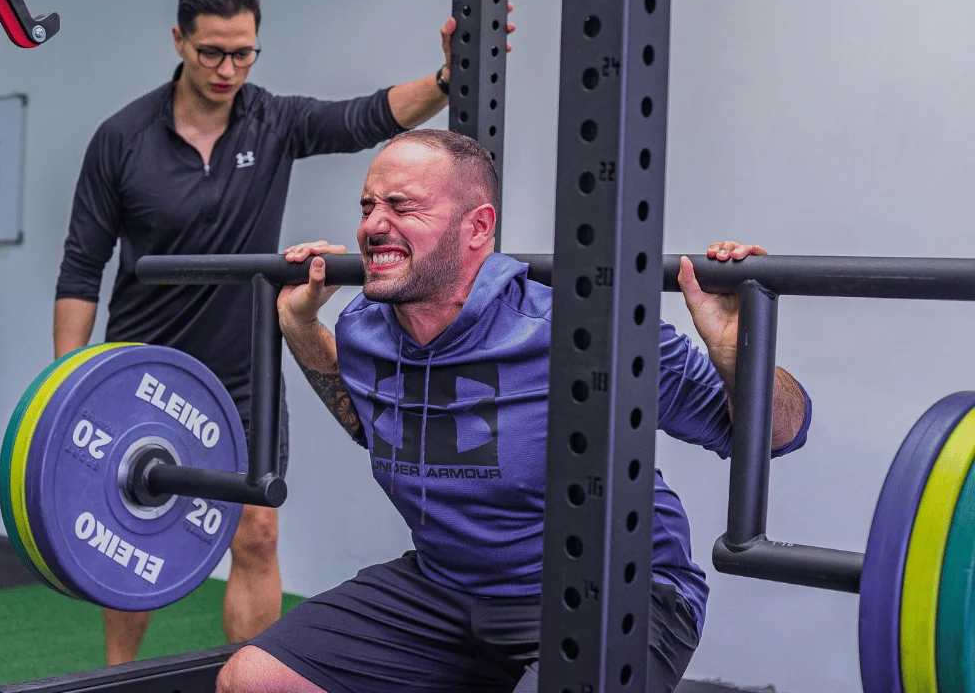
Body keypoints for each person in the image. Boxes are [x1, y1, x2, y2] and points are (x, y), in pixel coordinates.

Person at [215, 129, 812, 693]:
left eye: (402, 207)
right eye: (368, 206)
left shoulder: (584, 331)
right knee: (254, 679)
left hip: (617, 594)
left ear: (477, 228)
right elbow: (365, 421)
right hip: (446, 590)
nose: (374, 226)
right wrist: (297, 324)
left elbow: (775, 435)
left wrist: (739, 355)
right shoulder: (365, 328)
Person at [54, 0, 516, 665]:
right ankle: (119, 676)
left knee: (258, 533)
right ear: (178, 40)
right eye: (212, 52)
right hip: (144, 367)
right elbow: (81, 267)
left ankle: (255, 674)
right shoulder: (121, 139)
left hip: (243, 368)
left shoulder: (272, 121)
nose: (228, 69)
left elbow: (366, 116)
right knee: (134, 534)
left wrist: (448, 78)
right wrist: (71, 375)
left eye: (243, 53)